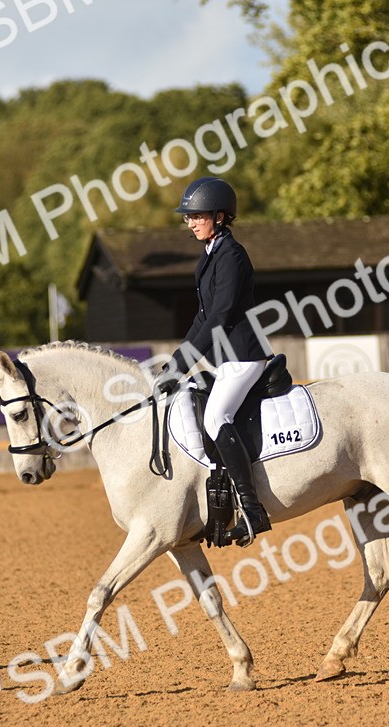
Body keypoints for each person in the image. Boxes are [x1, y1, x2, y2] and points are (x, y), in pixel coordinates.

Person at [154, 177, 271, 546]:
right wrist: (176, 363)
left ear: (220, 216)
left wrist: (184, 363)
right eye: (188, 217)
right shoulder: (209, 257)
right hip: (225, 360)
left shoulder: (232, 255)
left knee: (216, 416)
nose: (191, 222)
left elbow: (220, 315)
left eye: (198, 215)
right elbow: (202, 319)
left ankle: (253, 510)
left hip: (243, 356)